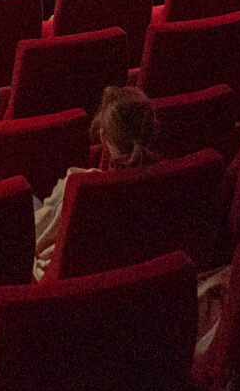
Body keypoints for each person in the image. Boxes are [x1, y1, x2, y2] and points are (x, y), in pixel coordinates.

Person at [32, 85, 158, 282]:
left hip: (66, 287)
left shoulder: (78, 187)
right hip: (130, 281)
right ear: (153, 131)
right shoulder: (169, 184)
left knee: (29, 200)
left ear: (103, 136)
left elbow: (34, 239)